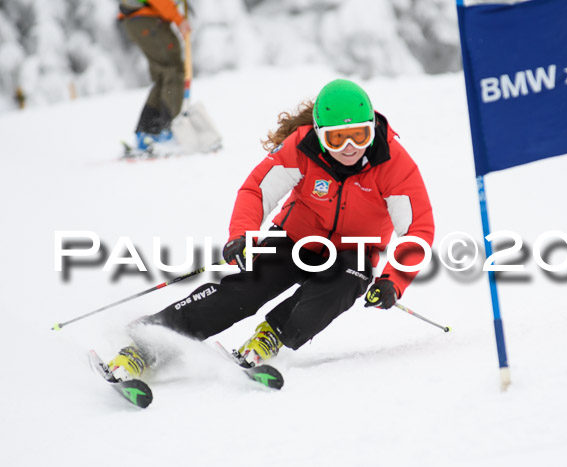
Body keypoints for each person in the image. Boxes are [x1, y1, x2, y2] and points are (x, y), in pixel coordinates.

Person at [107, 79, 435, 381]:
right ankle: (150, 342)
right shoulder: (302, 148)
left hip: (355, 251)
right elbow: (257, 191)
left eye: (359, 135)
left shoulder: (393, 164)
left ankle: (272, 335)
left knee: (336, 290)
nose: (349, 146)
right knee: (244, 291)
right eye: (336, 137)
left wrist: (394, 280)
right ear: (320, 134)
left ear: (372, 130)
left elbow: (418, 229)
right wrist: (243, 234)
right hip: (296, 237)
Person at [118, 0, 191, 150]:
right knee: (173, 70)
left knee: (163, 76)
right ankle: (168, 131)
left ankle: (146, 133)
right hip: (146, 19)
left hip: (139, 19)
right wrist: (179, 20)